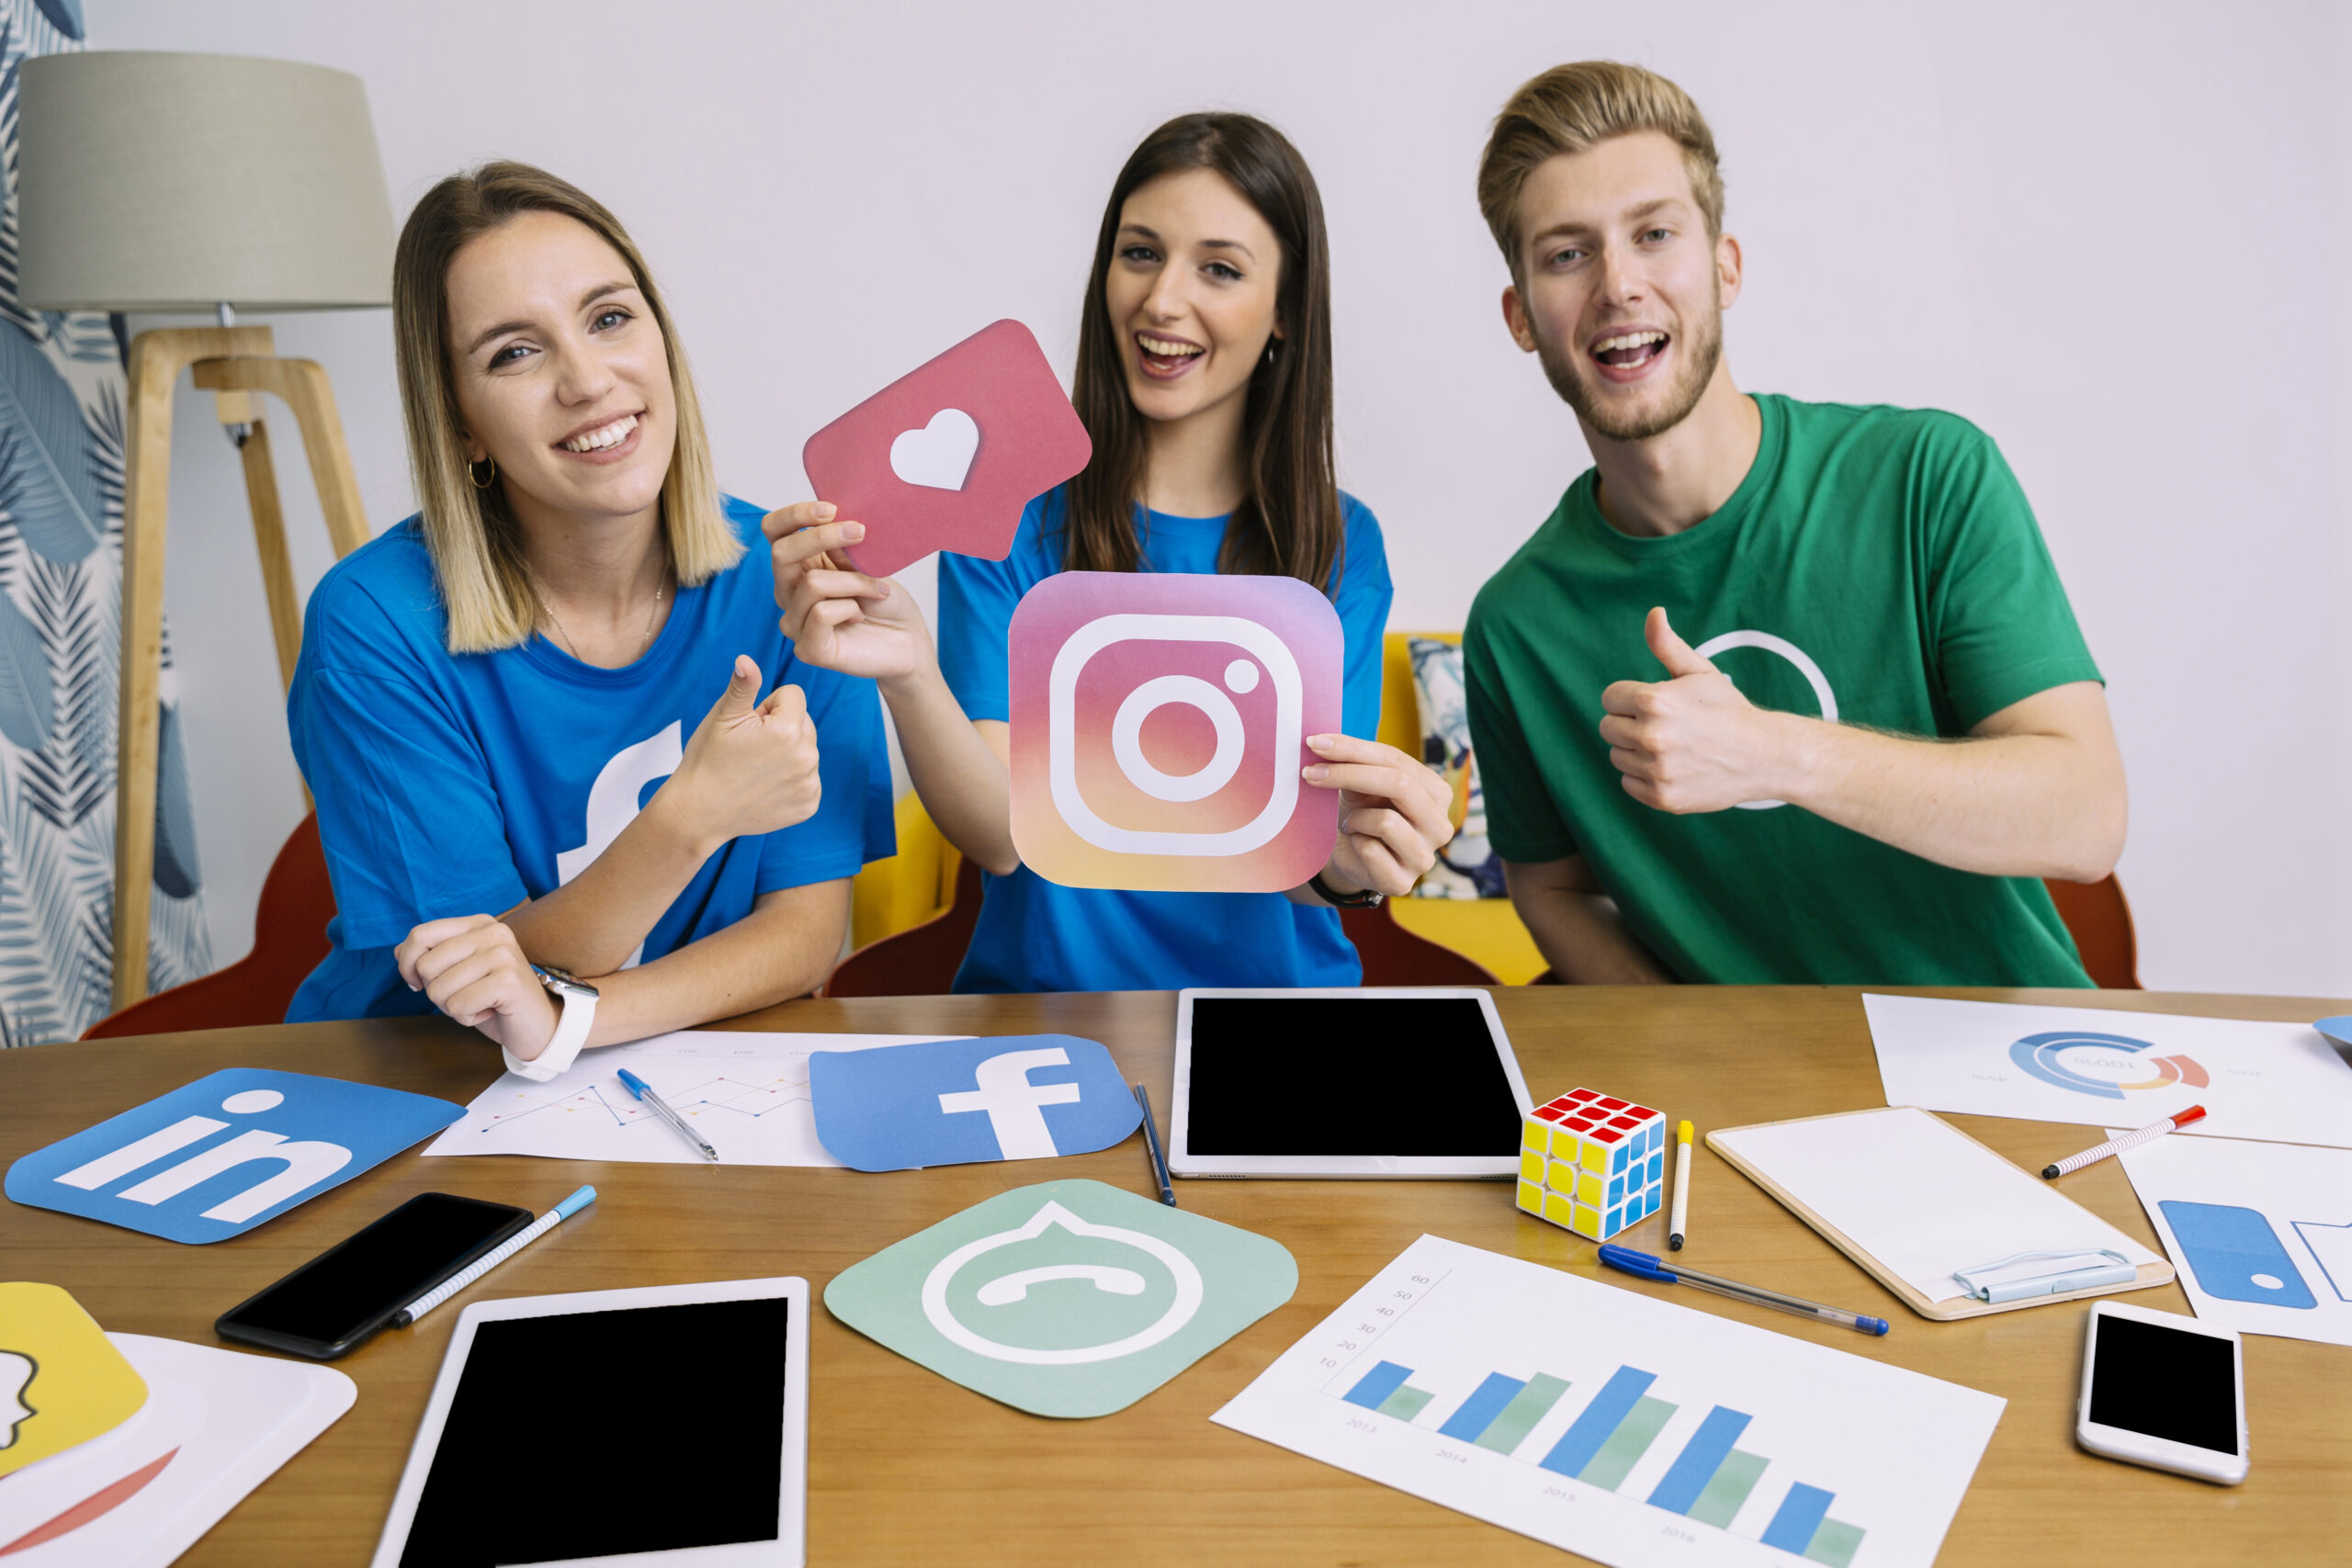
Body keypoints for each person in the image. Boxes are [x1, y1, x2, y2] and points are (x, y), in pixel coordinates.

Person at [1462, 62, 2127, 986]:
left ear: (1724, 267)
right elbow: (1553, 891)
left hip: (2012, 1077)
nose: (1618, 284)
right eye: (1566, 254)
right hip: (1743, 1119)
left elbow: (2084, 818)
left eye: (1654, 234)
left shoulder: (1927, 475)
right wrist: (1701, 1068)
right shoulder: (1515, 625)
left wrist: (1774, 752)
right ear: (1521, 316)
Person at [769, 112, 1455, 992]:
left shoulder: (1339, 541)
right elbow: (1002, 839)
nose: (1163, 300)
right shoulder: (1009, 511)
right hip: (1045, 1018)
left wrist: (1360, 866)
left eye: (1219, 267)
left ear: (1284, 310)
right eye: (1139, 253)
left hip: (1271, 1022)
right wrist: (909, 671)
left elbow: (1302, 853)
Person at [286, 162, 893, 1070]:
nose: (587, 381)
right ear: (461, 424)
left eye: (609, 318)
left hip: (671, 1074)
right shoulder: (376, 626)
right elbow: (473, 992)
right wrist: (690, 817)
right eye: (514, 353)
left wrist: (573, 1022)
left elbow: (805, 935)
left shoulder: (792, 578)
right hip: (418, 1087)